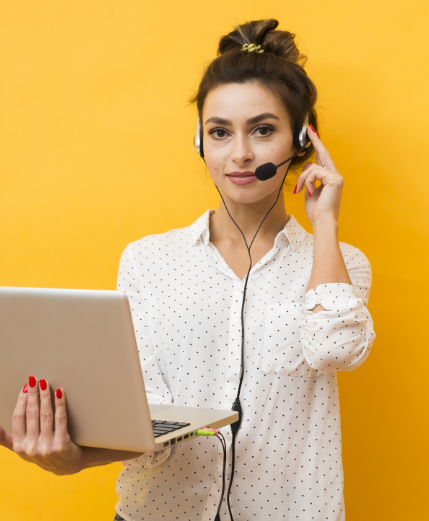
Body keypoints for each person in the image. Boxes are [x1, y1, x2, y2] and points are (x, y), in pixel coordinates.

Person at [0, 19, 376, 521]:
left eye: (263, 130)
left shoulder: (341, 263)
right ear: (201, 142)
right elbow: (145, 420)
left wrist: (325, 221)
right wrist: (71, 458)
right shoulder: (148, 261)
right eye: (220, 132)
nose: (240, 153)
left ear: (302, 140)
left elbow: (335, 350)